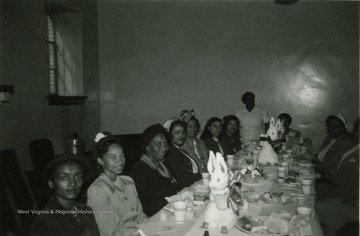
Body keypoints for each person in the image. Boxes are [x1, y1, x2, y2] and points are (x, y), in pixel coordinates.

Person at [87, 132, 148, 236]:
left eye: (122, 156)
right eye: (113, 157)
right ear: (100, 160)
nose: (120, 161)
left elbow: (141, 217)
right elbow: (112, 232)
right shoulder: (97, 190)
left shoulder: (128, 182)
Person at [30, 154, 100, 236]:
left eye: (78, 177)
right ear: (51, 183)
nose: (73, 183)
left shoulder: (86, 211)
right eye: (64, 178)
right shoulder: (44, 221)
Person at [131, 124, 179, 217]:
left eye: (165, 143)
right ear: (147, 147)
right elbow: (147, 205)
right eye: (158, 144)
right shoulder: (140, 170)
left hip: (171, 211)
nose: (164, 148)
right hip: (156, 217)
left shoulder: (163, 163)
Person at [314, 114, 357, 179]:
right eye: (330, 126)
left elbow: (331, 165)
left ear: (343, 128)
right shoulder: (328, 138)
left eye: (336, 126)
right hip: (318, 171)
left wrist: (313, 165)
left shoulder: (346, 142)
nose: (332, 129)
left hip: (329, 176)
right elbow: (320, 155)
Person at [164, 120, 202, 189]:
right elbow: (182, 180)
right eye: (177, 133)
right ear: (170, 135)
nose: (181, 135)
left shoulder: (179, 150)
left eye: (183, 132)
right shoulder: (170, 153)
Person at [179, 108, 209, 173]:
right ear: (184, 128)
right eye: (190, 126)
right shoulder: (182, 145)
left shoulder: (201, 142)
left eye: (195, 126)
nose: (193, 129)